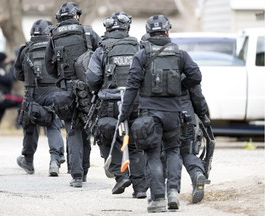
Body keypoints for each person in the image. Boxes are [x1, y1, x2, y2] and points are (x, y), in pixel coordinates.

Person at [119, 15, 202, 213]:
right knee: (173, 151)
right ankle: (173, 192)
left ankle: (157, 200)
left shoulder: (141, 55)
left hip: (149, 114)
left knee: (152, 155)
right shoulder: (180, 54)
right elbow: (196, 76)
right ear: (167, 31)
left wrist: (124, 113)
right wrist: (180, 87)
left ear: (148, 32)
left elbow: (131, 86)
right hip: (174, 113)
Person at [86, 12, 147, 198]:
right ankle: (140, 188)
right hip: (135, 101)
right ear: (127, 28)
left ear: (107, 29)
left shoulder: (101, 50)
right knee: (135, 142)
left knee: (105, 135)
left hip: (109, 102)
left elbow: (92, 79)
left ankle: (120, 176)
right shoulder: (138, 47)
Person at [45, 2, 101, 187]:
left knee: (72, 130)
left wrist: (62, 80)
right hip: (87, 88)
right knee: (86, 127)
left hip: (66, 88)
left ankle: (76, 176)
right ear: (76, 16)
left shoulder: (54, 36)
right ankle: (83, 172)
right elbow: (101, 56)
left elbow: (49, 67)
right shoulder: (87, 32)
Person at [14, 19, 65, 176]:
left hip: (31, 94)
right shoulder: (55, 47)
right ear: (49, 32)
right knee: (53, 126)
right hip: (54, 93)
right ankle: (55, 160)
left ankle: (28, 161)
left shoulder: (25, 50)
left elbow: (18, 75)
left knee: (30, 127)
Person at [179, 80, 211, 204]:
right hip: (187, 118)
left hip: (162, 118)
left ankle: (166, 191)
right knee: (188, 153)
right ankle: (197, 174)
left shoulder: (151, 63)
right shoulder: (186, 66)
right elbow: (197, 96)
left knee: (166, 154)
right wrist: (202, 114)